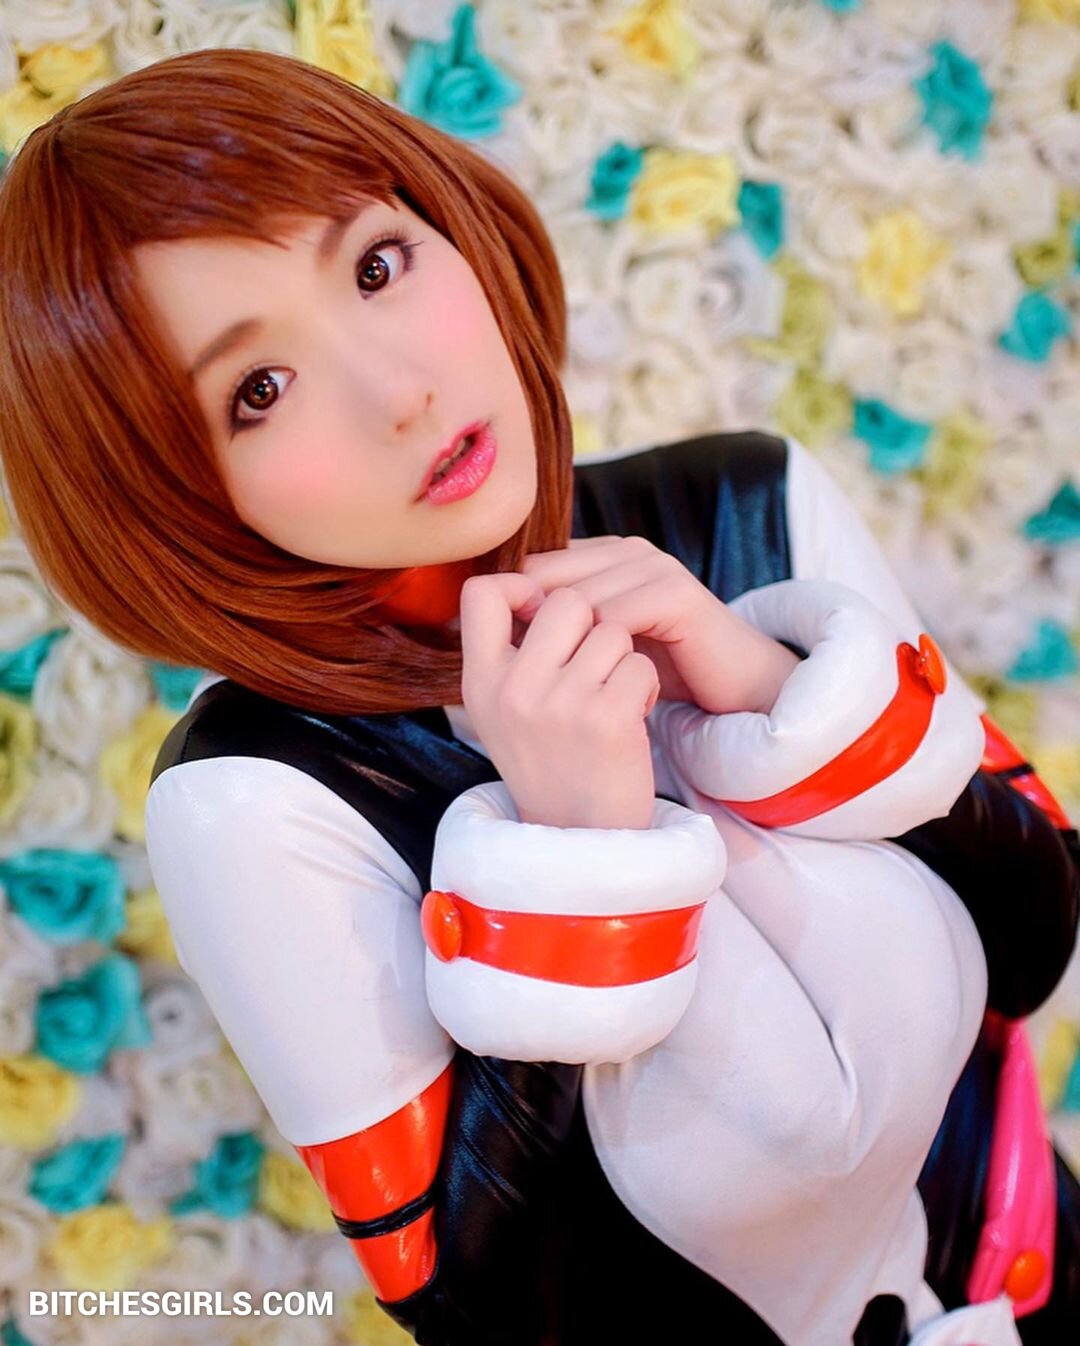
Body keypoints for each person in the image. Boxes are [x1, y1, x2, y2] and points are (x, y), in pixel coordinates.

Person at [0, 45, 1076, 1346]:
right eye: (259, 391)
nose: (402, 393)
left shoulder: (744, 506)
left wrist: (767, 693)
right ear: (168, 495)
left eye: (377, 265)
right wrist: (576, 856)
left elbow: (1036, 930)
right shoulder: (259, 797)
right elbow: (491, 1310)